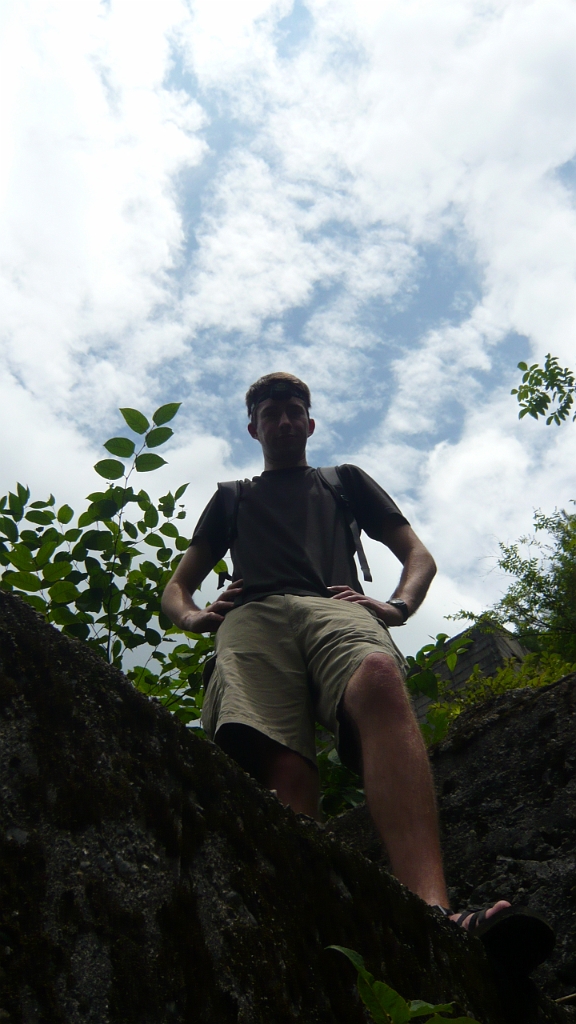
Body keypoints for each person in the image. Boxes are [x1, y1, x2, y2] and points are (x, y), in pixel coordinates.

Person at [162, 371, 554, 973]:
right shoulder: (233, 496)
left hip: (333, 605)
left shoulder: (342, 481)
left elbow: (417, 555)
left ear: (311, 423)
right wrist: (195, 619)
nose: (286, 421)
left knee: (378, 675)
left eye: (296, 411)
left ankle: (433, 912)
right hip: (252, 616)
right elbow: (177, 586)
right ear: (253, 428)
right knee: (281, 759)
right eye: (272, 414)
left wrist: (397, 607)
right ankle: (309, 925)